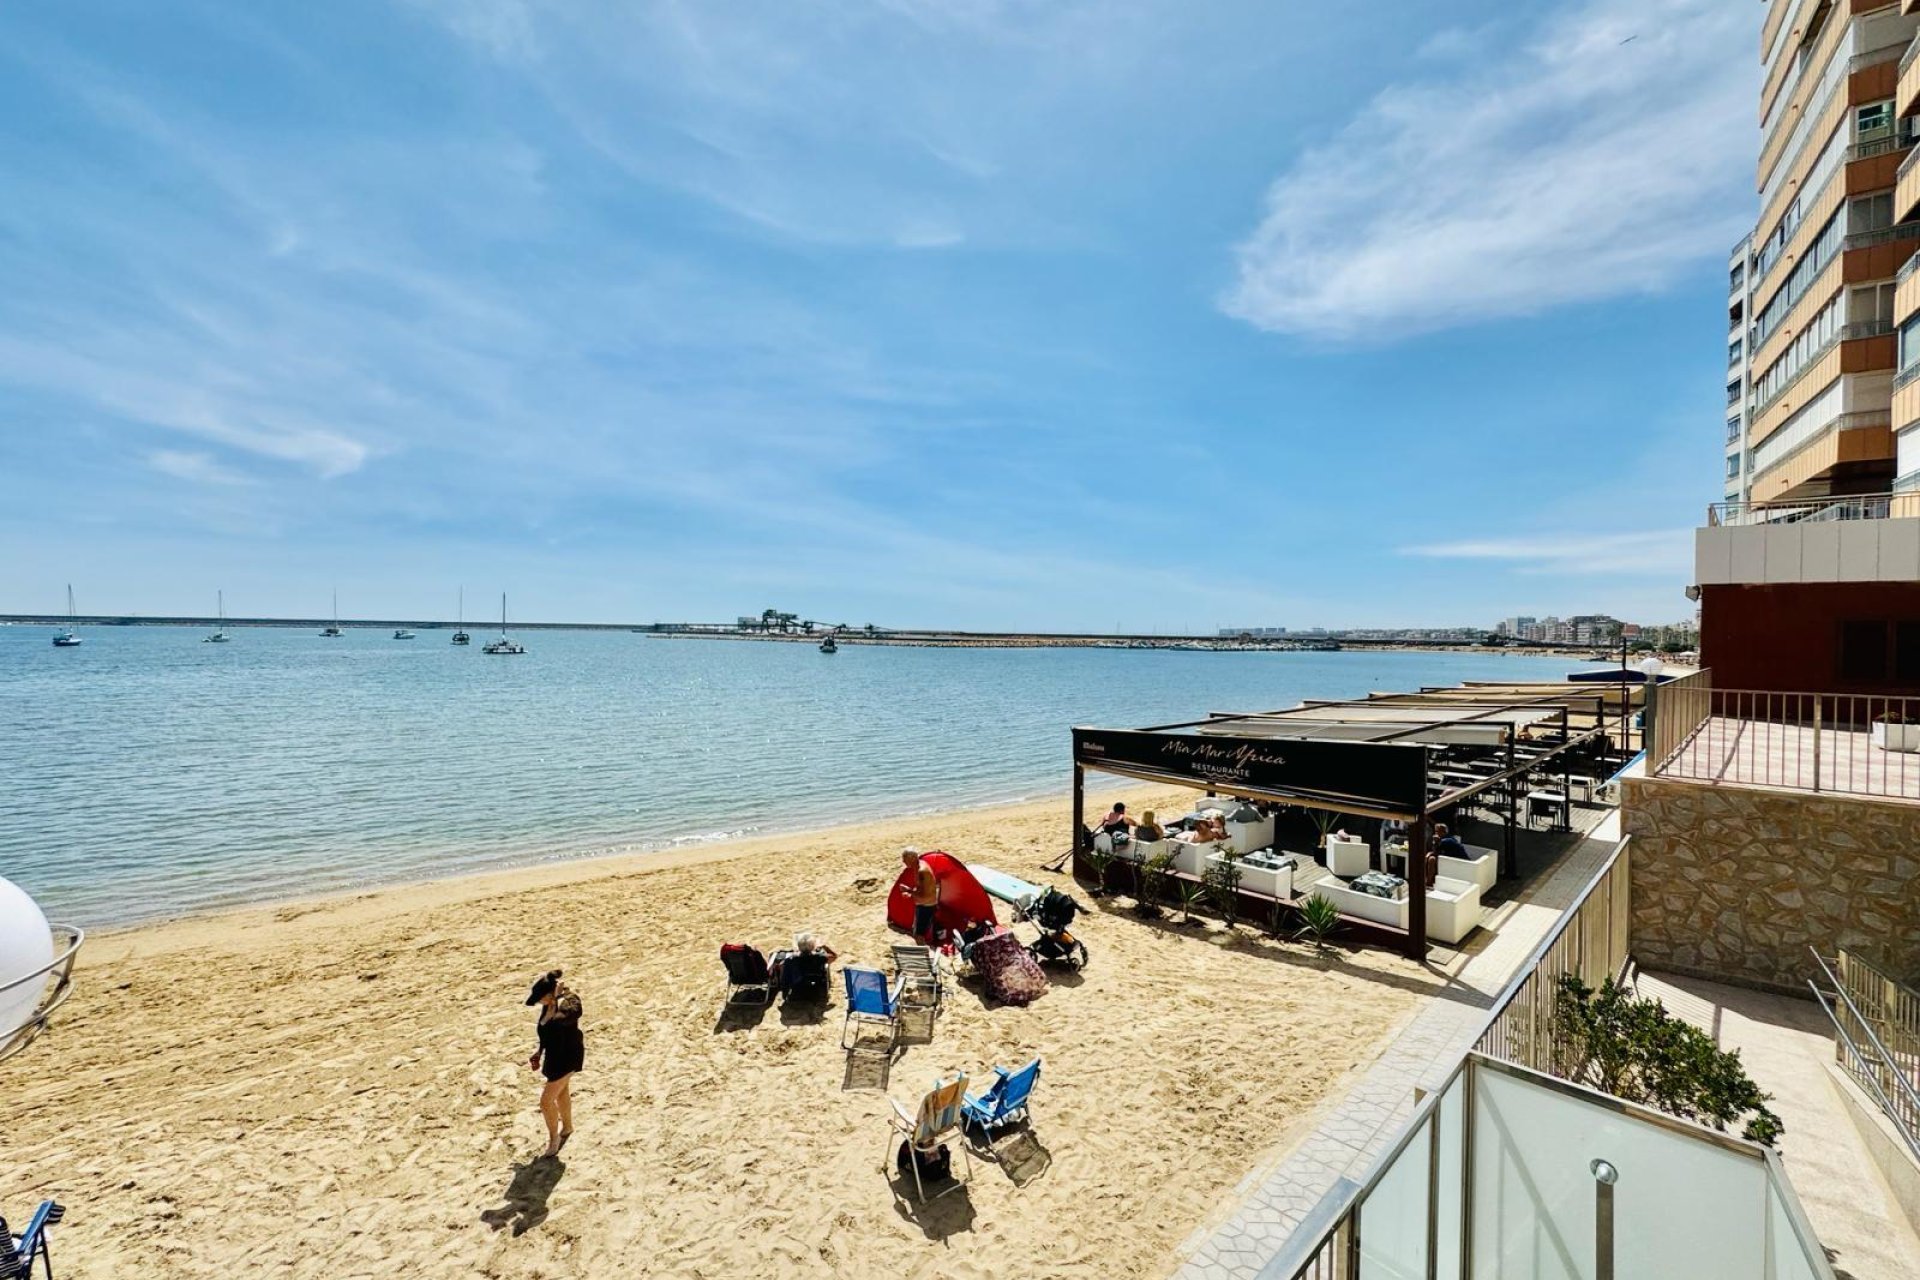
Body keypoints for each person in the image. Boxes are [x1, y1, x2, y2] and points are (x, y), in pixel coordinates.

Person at [525, 969, 584, 1159]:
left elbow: (561, 1021)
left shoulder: (570, 1001)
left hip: (568, 1056)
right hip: (554, 1057)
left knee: (546, 1101)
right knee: (561, 1092)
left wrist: (557, 999)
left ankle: (553, 1139)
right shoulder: (548, 1004)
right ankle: (567, 1127)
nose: (540, 1003)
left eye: (541, 998)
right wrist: (539, 1050)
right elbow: (546, 1030)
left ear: (551, 993)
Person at [772, 931, 838, 995]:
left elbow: (782, 967)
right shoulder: (819, 957)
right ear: (813, 946)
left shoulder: (790, 960)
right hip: (815, 990)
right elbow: (834, 956)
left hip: (796, 991)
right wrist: (824, 946)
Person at [904, 847, 940, 943]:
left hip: (927, 906)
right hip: (923, 904)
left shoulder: (922, 871)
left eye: (905, 858)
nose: (903, 861)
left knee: (920, 935)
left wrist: (909, 892)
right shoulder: (917, 866)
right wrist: (910, 892)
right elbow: (921, 889)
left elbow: (925, 896)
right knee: (917, 930)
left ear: (913, 858)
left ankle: (922, 949)